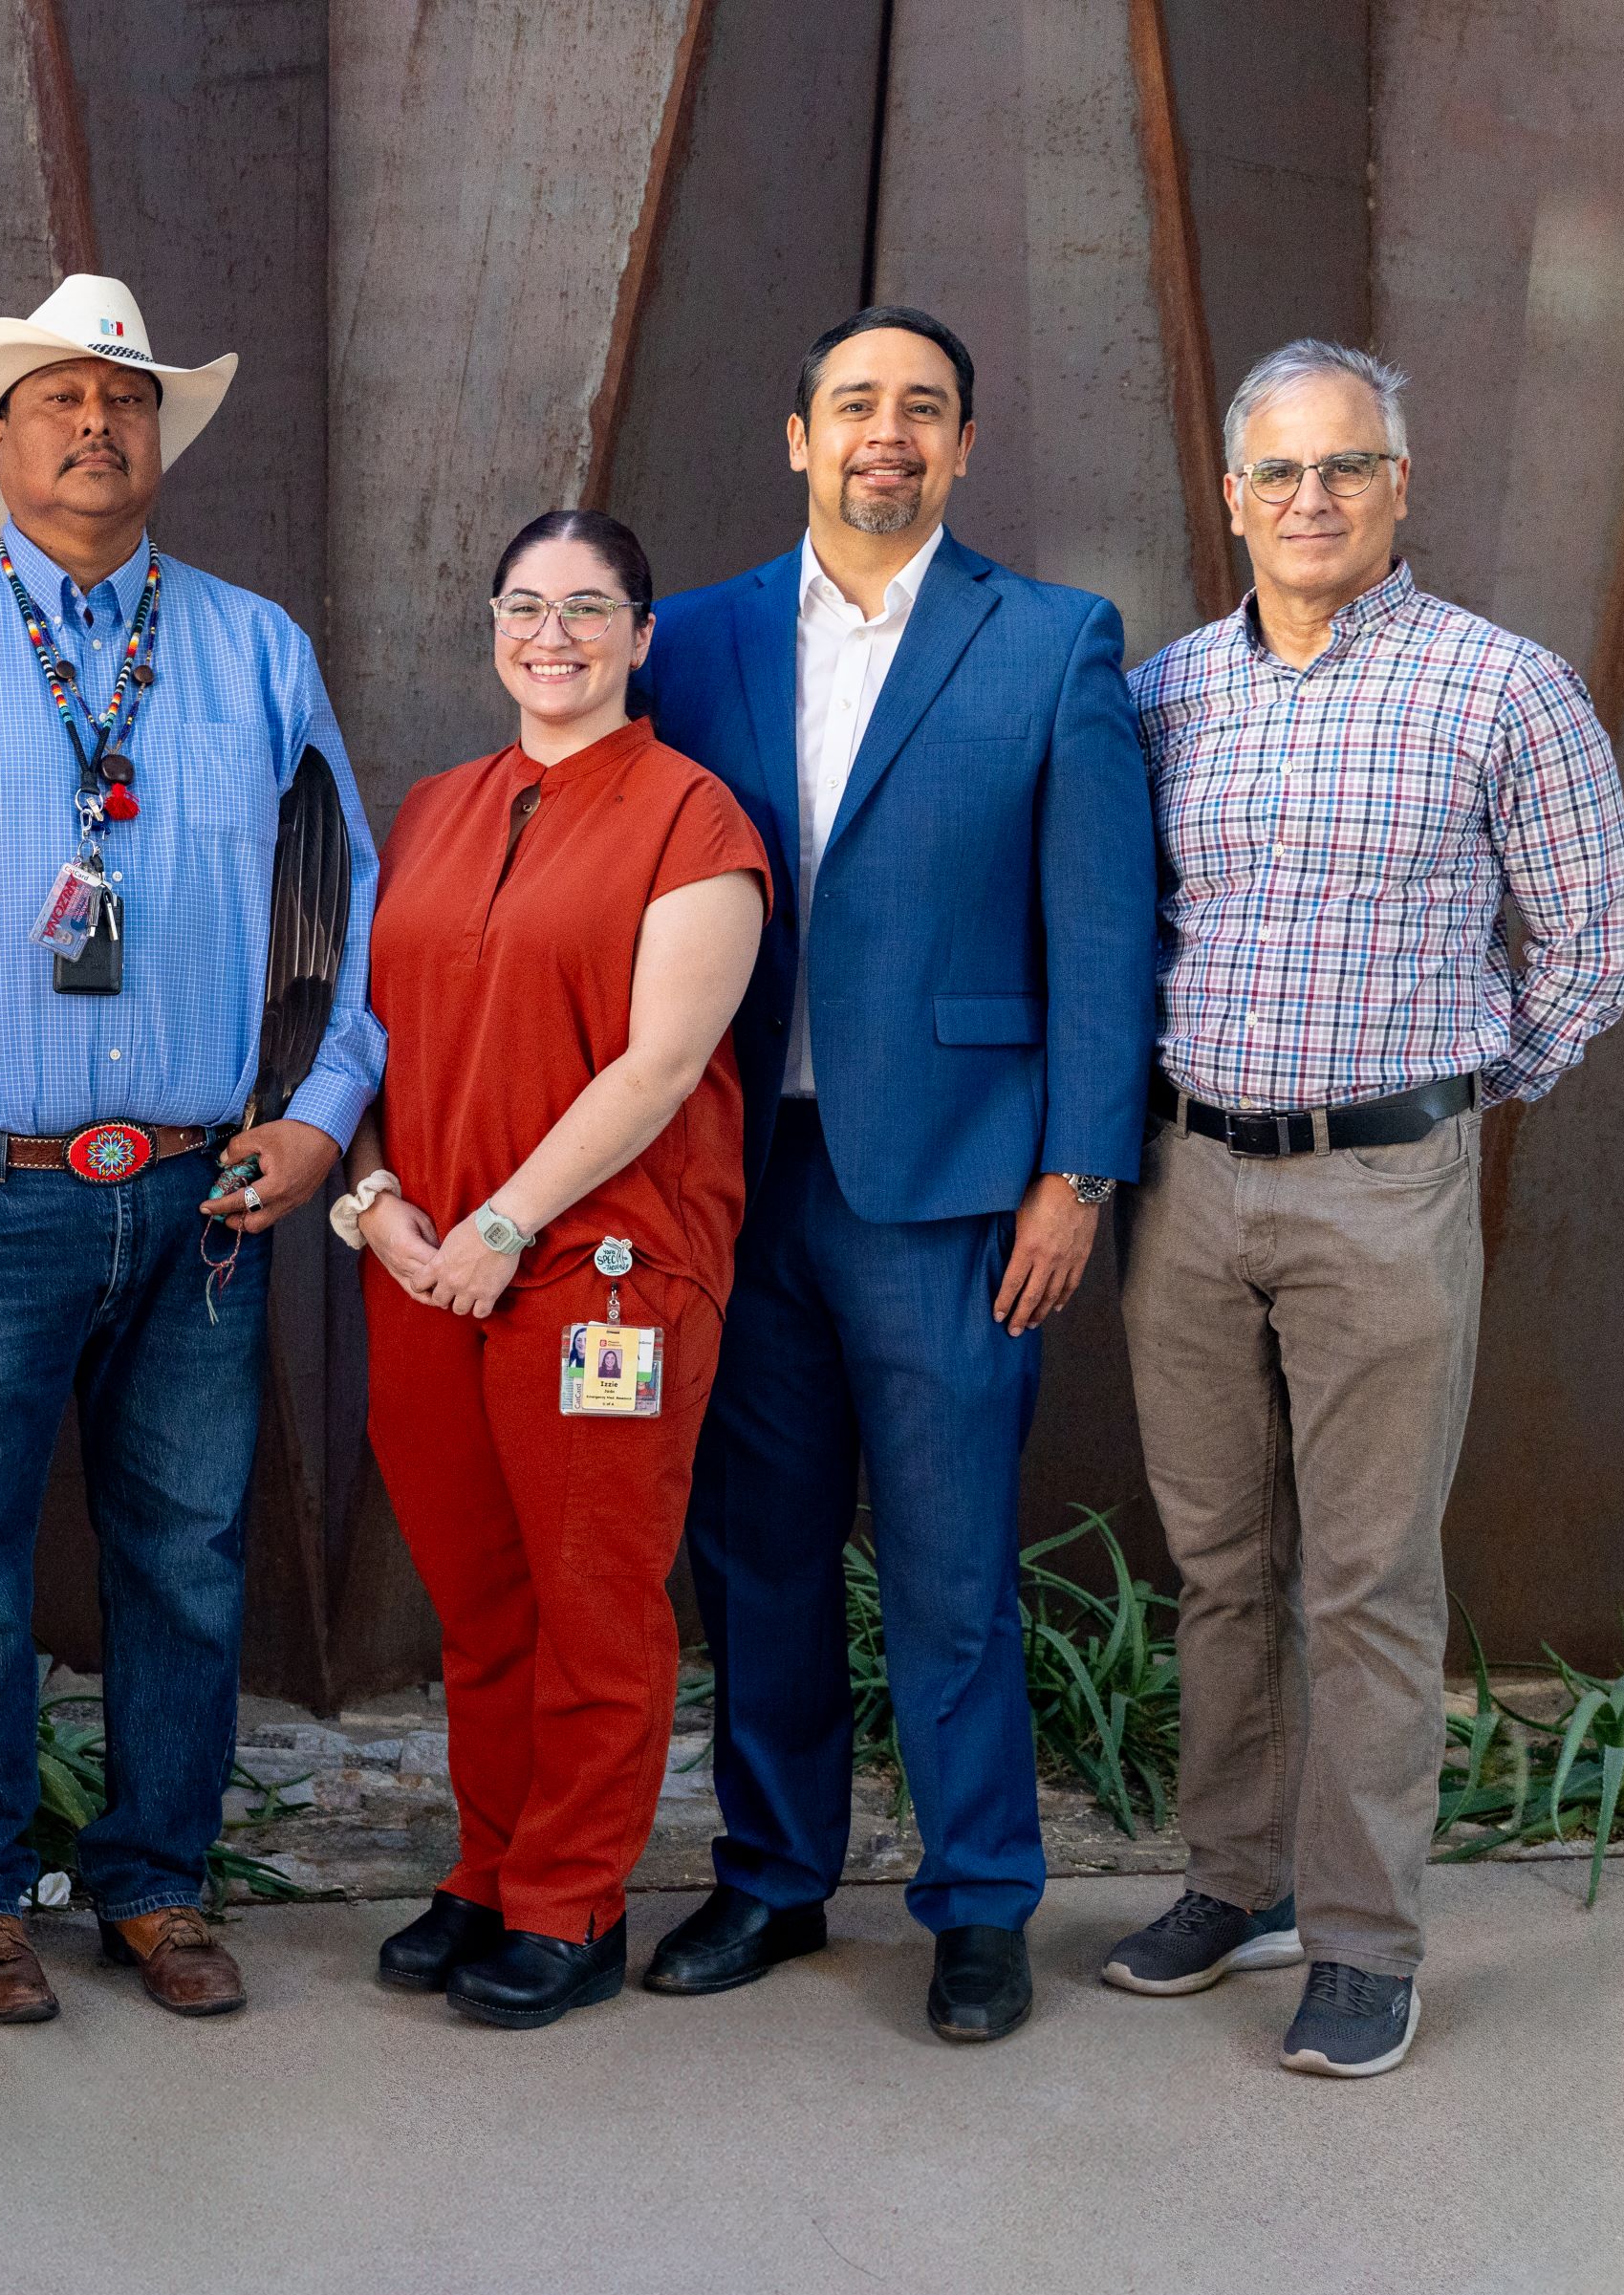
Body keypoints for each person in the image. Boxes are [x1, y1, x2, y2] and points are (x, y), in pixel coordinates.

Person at [0, 275, 382, 2024]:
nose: (94, 426)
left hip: (205, 1195)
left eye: (123, 401)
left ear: (159, 441)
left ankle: (157, 1884)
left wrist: (320, 1117)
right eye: (57, 400)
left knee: (189, 1555)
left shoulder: (257, 645)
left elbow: (347, 909)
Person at [1104, 341, 1624, 2079]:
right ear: (1236, 495)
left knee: (1367, 1581)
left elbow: (1598, 951)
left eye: (1347, 469)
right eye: (1279, 473)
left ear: (1398, 488)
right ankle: (1235, 1880)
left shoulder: (1504, 690)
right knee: (1216, 1565)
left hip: (1382, 1189)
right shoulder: (1174, 692)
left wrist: (1445, 1106)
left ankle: (1358, 1939)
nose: (1312, 500)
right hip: (1189, 1183)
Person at [633, 306, 1154, 2045]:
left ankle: (981, 1903)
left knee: (947, 1569)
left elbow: (1099, 928)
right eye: (855, 404)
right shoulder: (687, 643)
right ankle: (775, 1879)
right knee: (757, 1556)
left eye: (922, 409)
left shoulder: (1055, 640)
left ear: (964, 446)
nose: (887, 434)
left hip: (949, 1189)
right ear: (797, 438)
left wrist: (1078, 1171)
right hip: (733, 1175)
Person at [338, 509, 769, 2030]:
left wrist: (505, 1226)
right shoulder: (441, 805)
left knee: (595, 1600)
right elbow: (373, 1036)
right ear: (494, 627)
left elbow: (659, 1067)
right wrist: (376, 1195)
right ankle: (487, 1867)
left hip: (600, 1270)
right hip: (420, 1261)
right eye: (527, 604)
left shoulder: (695, 817)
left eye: (593, 609)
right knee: (480, 1600)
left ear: (644, 638)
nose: (556, 634)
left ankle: (572, 1900)